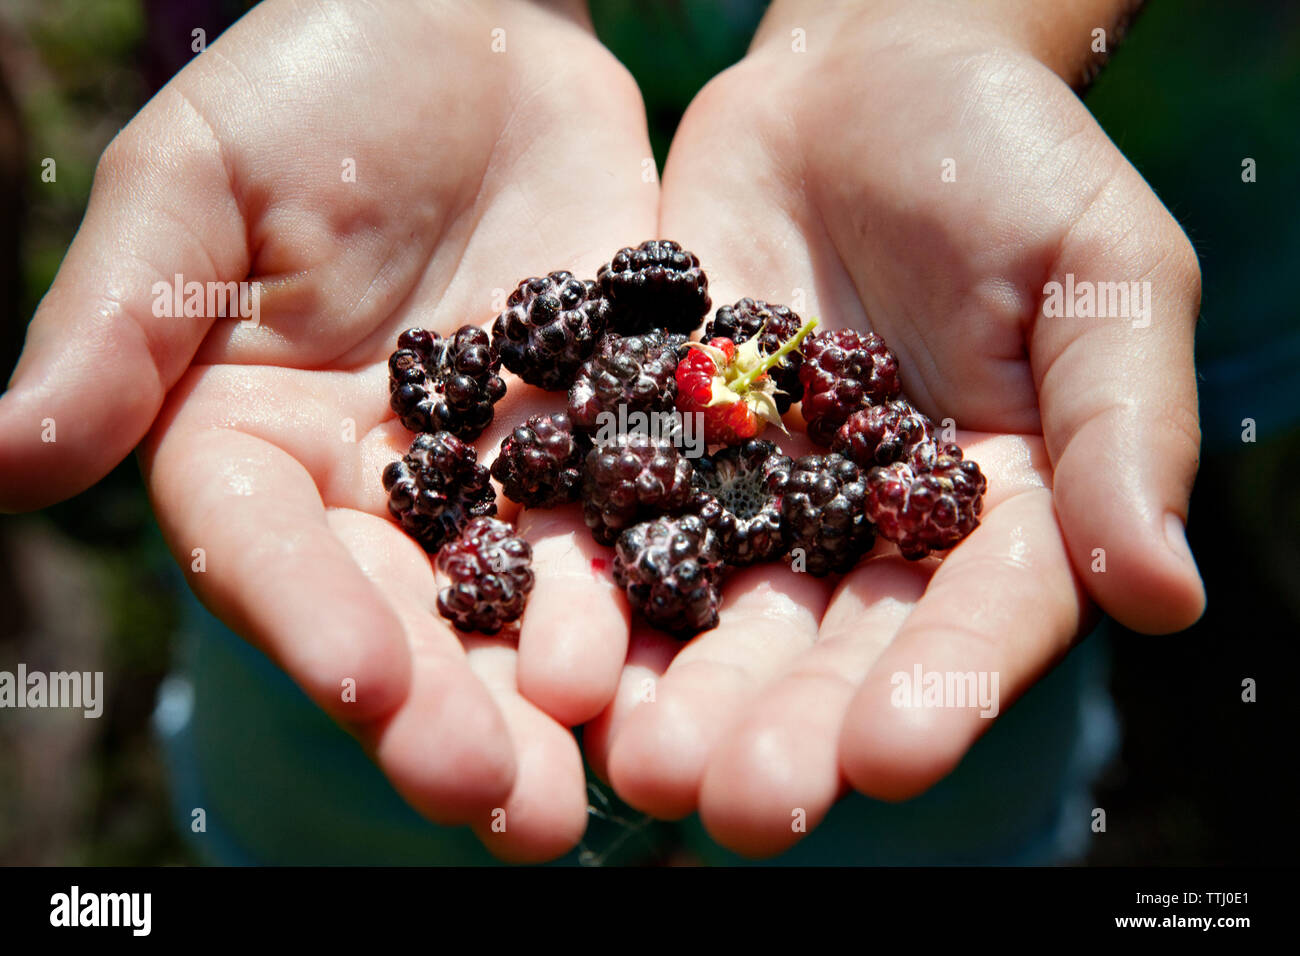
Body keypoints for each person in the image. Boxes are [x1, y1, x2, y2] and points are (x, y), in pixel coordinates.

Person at [0, 0, 1204, 863]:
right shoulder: (576, 411)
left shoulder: (749, 419)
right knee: (349, 741)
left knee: (908, 789)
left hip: (1104, 125)